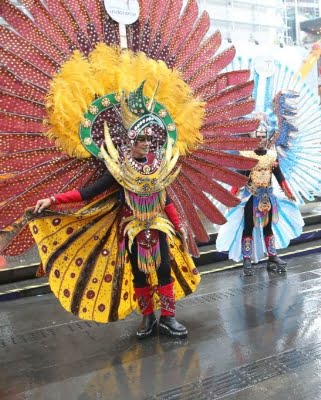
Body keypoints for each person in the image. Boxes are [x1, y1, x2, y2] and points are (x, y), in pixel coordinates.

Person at [31, 84, 199, 339]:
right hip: (131, 230)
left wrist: (179, 225)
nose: (146, 143)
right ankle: (147, 318)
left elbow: (165, 200)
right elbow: (88, 193)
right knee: (140, 274)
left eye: (148, 138)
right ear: (130, 140)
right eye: (141, 139)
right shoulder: (118, 168)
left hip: (158, 226)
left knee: (164, 269)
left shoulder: (159, 164)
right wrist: (53, 199)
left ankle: (168, 318)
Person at [216, 118, 301, 277]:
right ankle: (246, 258)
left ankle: (272, 256)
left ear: (267, 137)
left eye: (263, 136)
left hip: (269, 199)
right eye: (258, 136)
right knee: (248, 228)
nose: (261, 139)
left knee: (268, 228)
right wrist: (231, 197)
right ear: (252, 138)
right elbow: (238, 180)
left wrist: (289, 193)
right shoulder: (246, 157)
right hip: (251, 198)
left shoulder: (272, 156)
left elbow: (280, 177)